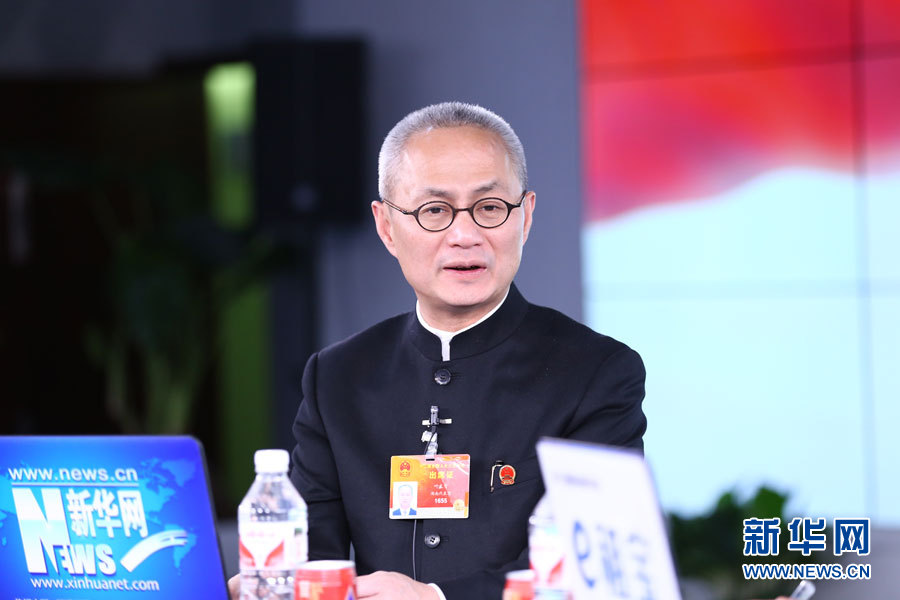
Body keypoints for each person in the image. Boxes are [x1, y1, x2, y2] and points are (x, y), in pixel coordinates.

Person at [228, 102, 647, 600]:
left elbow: (589, 565)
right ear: (387, 226)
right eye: (434, 211)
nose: (465, 235)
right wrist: (275, 584)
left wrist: (435, 597)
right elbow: (311, 551)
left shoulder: (596, 372)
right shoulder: (338, 376)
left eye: (489, 208)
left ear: (526, 216)